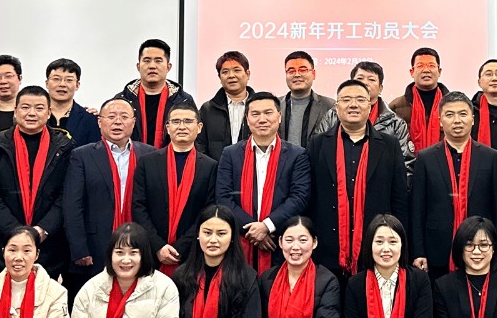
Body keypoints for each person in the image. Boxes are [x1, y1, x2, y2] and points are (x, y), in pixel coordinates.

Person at [307, 80, 411, 281]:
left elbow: (399, 198)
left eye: (360, 99)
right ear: (337, 106)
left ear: (370, 105)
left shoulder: (389, 145)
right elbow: (310, 197)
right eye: (346, 100)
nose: (353, 105)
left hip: (376, 248)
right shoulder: (318, 144)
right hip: (327, 250)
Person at [0, 86, 77, 286]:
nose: (32, 113)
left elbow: (67, 195)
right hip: (4, 242)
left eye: (39, 108)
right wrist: (17, 233)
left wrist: (42, 230)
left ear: (49, 112)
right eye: (25, 107)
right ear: (15, 111)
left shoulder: (64, 146)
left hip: (48, 243)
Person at [411, 92, 497, 279]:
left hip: (481, 249)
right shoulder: (425, 158)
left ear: (473, 119)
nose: (457, 120)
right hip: (437, 251)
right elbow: (417, 209)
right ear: (440, 121)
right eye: (450, 115)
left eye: (463, 114)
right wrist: (418, 251)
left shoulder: (490, 157)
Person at [216, 92, 312, 273]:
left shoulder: (297, 155)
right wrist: (254, 231)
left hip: (279, 242)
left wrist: (267, 226)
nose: (262, 119)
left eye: (268, 113)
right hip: (239, 243)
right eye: (255, 114)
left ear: (279, 116)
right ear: (247, 119)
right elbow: (223, 197)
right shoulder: (230, 154)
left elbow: (299, 197)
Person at [64, 98, 154, 283]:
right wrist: (80, 248)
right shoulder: (82, 155)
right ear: (99, 122)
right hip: (95, 246)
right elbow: (73, 205)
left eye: (124, 117)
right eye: (111, 117)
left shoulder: (150, 154)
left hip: (140, 243)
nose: (117, 122)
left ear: (133, 122)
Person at [133, 103, 219, 275]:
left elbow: (207, 211)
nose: (182, 126)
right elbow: (138, 206)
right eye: (176, 121)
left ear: (199, 127)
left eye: (188, 121)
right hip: (151, 252)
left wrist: (181, 247)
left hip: (191, 254)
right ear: (167, 127)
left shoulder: (210, 166)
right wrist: (158, 246)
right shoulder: (147, 162)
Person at [311, 61, 414, 167]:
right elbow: (318, 152)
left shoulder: (395, 122)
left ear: (380, 89)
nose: (365, 83)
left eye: (371, 79)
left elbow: (405, 163)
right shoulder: (332, 115)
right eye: (360, 78)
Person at [116, 39, 197, 148]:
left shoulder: (183, 100)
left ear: (168, 67)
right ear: (138, 66)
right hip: (132, 157)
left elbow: (193, 137)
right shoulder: (123, 100)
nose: (152, 66)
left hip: (171, 157)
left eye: (158, 61)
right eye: (147, 60)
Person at [389, 47, 451, 152]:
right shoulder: (395, 107)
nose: (426, 70)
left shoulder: (452, 105)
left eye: (431, 65)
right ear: (412, 72)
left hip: (446, 160)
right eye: (420, 66)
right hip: (408, 161)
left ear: (439, 71)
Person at [196, 51, 254, 158]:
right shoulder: (207, 109)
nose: (231, 76)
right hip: (217, 167)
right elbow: (200, 145)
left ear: (247, 74)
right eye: (225, 72)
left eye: (237, 70)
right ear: (219, 77)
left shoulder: (259, 108)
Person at [279, 51, 337, 146]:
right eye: (291, 71)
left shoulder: (329, 106)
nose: (297, 75)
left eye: (302, 70)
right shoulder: (275, 106)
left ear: (313, 74)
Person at [45, 58, 103, 146]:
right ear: (47, 83)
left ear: (77, 85)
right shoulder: (36, 116)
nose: (62, 84)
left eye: (69, 80)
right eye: (56, 79)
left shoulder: (90, 119)